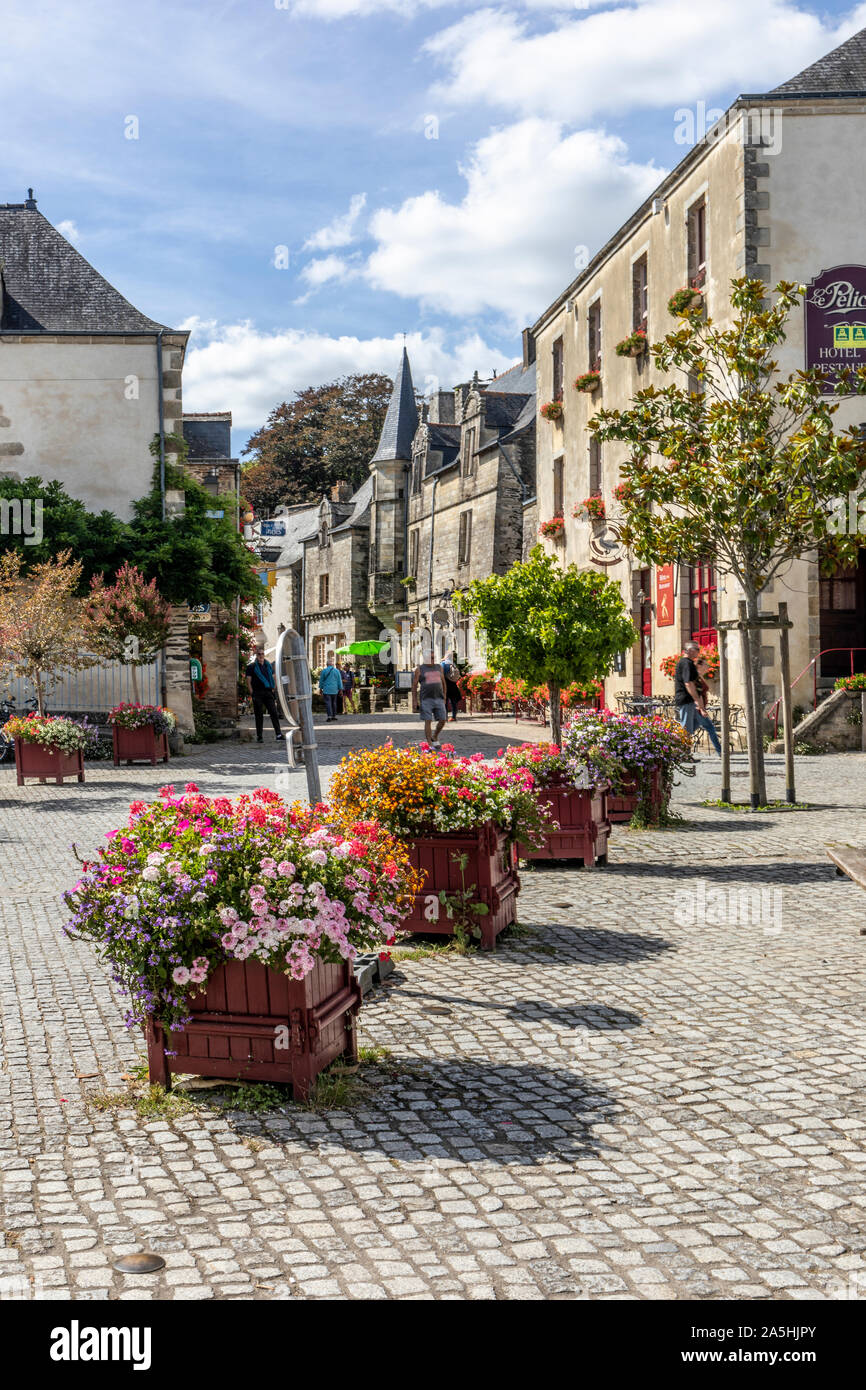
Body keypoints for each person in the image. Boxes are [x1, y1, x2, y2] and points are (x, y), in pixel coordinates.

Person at [674, 641, 720, 755]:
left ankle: (680, 750)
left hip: (690, 701)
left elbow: (696, 687)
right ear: (689, 650)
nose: (699, 652)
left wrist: (699, 704)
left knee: (691, 727)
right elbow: (688, 683)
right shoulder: (686, 663)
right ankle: (681, 753)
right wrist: (697, 701)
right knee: (686, 728)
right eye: (697, 649)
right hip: (686, 699)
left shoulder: (688, 663)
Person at [245, 644, 284, 743]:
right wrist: (252, 693)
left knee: (274, 713)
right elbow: (248, 681)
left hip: (268, 692)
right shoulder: (251, 667)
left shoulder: (268, 665)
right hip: (257, 693)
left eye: (262, 654)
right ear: (256, 655)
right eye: (259, 654)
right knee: (259, 715)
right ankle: (259, 736)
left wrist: (273, 688)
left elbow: (274, 677)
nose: (261, 656)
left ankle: (278, 734)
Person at [412, 652, 447, 748]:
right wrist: (414, 701)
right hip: (426, 699)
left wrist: (444, 696)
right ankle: (429, 743)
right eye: (431, 657)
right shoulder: (420, 669)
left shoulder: (439, 667)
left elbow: (443, 682)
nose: (433, 659)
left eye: (434, 657)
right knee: (428, 720)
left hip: (439, 698)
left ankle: (435, 736)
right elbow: (414, 685)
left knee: (443, 720)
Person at [318, 651, 344, 722]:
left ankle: (329, 716)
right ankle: (334, 716)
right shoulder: (337, 671)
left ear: (326, 665)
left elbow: (321, 681)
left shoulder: (324, 671)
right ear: (332, 665)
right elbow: (339, 681)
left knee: (328, 703)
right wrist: (340, 690)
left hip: (326, 690)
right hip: (334, 690)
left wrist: (320, 689)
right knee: (334, 703)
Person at [440, 652, 462, 723]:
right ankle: (453, 717)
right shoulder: (453, 664)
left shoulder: (443, 664)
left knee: (445, 701)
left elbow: (440, 674)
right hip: (453, 684)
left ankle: (445, 716)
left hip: (445, 684)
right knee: (453, 701)